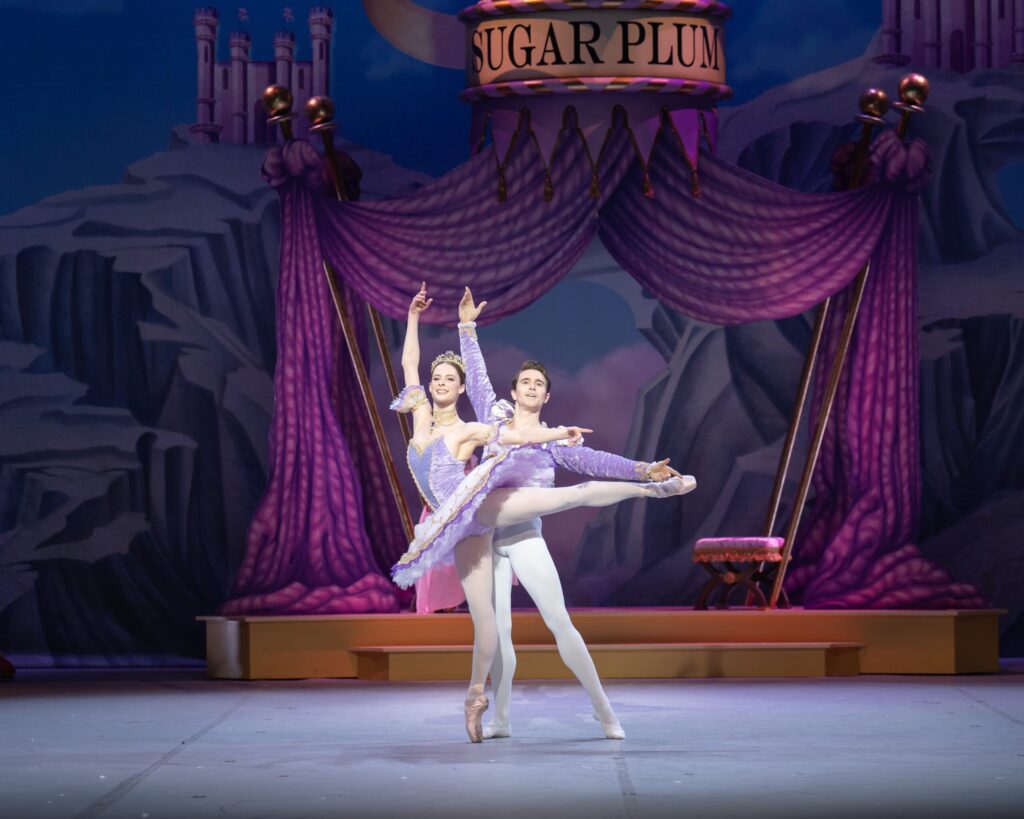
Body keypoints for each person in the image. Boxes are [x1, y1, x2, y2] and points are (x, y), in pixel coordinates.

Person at [391, 284, 693, 743]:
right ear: (513, 391)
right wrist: (466, 326)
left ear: (547, 397)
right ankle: (500, 718)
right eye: (525, 383)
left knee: (558, 620)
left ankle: (604, 710)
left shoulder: (554, 441)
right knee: (497, 634)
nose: (531, 388)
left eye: (539, 385)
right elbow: (471, 376)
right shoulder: (491, 422)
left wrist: (641, 468)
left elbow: (596, 463)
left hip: (521, 533)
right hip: (481, 528)